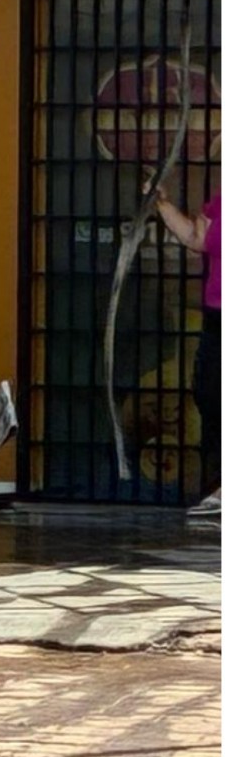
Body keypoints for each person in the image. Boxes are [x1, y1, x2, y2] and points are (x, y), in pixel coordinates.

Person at [148, 183, 220, 513]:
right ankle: (217, 485)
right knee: (209, 395)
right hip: (217, 315)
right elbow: (197, 238)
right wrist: (162, 204)